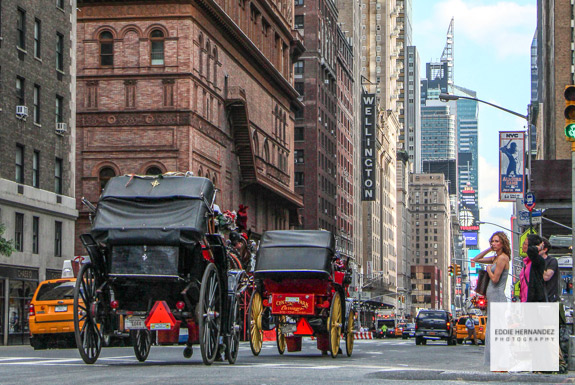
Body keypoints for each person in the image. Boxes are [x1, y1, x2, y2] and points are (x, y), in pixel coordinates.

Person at [471, 231, 510, 368]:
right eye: (492, 241)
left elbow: (495, 279)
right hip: (492, 297)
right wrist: (489, 249)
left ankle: (502, 361)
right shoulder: (495, 258)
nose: (494, 243)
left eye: (496, 241)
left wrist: (488, 270)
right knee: (492, 329)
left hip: (498, 296)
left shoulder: (502, 258)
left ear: (503, 243)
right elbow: (475, 259)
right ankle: (494, 361)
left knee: (497, 329)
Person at [519, 234, 546, 302]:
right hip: (524, 300)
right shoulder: (527, 262)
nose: (523, 245)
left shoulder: (537, 260)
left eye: (525, 243)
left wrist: (539, 247)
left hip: (534, 300)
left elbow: (531, 250)